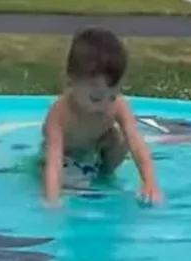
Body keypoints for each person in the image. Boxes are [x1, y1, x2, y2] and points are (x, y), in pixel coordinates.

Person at [40, 27, 163, 206]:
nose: (105, 104)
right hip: (65, 155)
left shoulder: (117, 105)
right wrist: (52, 200)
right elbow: (54, 159)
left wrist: (150, 182)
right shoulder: (60, 114)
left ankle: (104, 174)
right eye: (96, 98)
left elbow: (135, 141)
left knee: (122, 138)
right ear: (70, 82)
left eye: (112, 95)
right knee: (69, 181)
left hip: (94, 150)